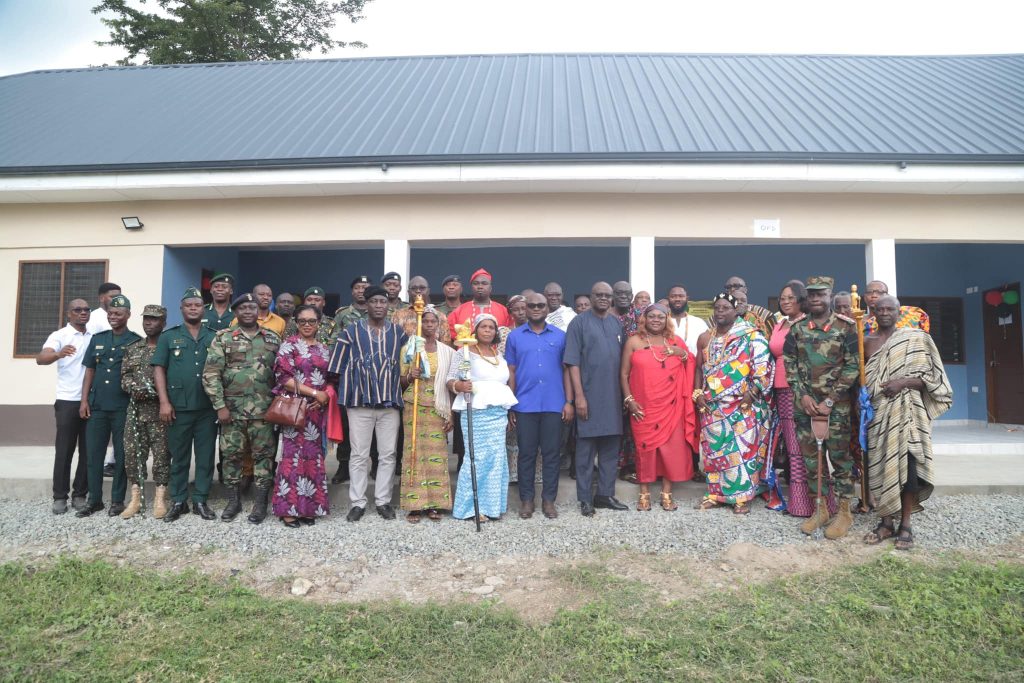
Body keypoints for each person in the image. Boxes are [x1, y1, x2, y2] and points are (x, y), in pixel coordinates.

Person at [862, 296, 952, 550]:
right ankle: (885, 522)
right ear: (873, 313)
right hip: (879, 417)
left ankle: (906, 524)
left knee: (909, 473)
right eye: (879, 309)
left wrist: (903, 383)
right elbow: (864, 380)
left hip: (908, 414)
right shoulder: (866, 343)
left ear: (899, 312)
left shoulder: (916, 339)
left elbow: (933, 379)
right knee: (880, 468)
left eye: (889, 309)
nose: (884, 313)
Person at [782, 276, 860, 539]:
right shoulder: (797, 328)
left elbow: (852, 367)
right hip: (805, 405)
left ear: (830, 297)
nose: (816, 299)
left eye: (821, 294)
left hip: (835, 407)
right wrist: (802, 395)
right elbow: (789, 363)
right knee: (812, 460)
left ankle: (845, 512)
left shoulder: (845, 327)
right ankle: (821, 509)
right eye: (812, 295)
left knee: (840, 459)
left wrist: (831, 400)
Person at [328, 286, 408, 522]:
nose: (380, 306)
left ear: (388, 305)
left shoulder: (399, 333)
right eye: (375, 301)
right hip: (359, 403)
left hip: (389, 402)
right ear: (367, 304)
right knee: (359, 454)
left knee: (388, 454)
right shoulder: (350, 331)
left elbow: (408, 363)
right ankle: (358, 502)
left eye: (383, 301)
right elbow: (336, 367)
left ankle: (383, 501)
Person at [203, 294, 281, 524]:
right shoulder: (223, 338)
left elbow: (282, 373)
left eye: (252, 307)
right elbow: (211, 374)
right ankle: (233, 501)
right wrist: (219, 406)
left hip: (264, 412)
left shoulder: (272, 338)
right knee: (231, 457)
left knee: (264, 457)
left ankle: (260, 503)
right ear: (235, 312)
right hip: (232, 411)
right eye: (243, 308)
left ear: (259, 311)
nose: (248, 311)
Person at [694, 293, 774, 514]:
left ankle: (741, 497)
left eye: (725, 307)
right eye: (717, 307)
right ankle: (716, 494)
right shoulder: (704, 337)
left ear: (735, 310)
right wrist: (698, 392)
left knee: (742, 451)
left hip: (742, 404)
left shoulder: (751, 335)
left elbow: (763, 367)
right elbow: (698, 368)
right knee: (715, 451)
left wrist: (753, 393)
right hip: (711, 405)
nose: (720, 311)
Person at [621, 303, 697, 511]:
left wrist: (681, 352)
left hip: (671, 406)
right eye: (651, 316)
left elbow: (690, 361)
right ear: (644, 319)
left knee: (670, 449)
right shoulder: (634, 341)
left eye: (660, 317)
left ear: (666, 320)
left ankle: (666, 493)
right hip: (643, 406)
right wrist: (629, 400)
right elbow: (624, 374)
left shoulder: (674, 341)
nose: (656, 320)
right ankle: (644, 493)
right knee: (644, 449)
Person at [152, 288, 219, 523]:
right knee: (179, 457)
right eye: (189, 305)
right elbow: (159, 368)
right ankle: (179, 500)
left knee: (205, 456)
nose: (193, 308)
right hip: (177, 408)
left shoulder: (214, 336)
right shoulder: (168, 337)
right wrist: (163, 402)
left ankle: (200, 499)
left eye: (197, 305)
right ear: (181, 309)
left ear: (204, 309)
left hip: (207, 407)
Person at [506, 293, 573, 519]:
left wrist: (569, 401)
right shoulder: (515, 337)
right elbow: (511, 372)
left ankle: (548, 500)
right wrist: (511, 404)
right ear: (525, 309)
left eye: (540, 305)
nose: (536, 308)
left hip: (554, 404)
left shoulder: (560, 336)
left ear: (547, 309)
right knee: (526, 454)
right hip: (525, 404)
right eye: (531, 305)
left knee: (551, 454)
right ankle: (526, 501)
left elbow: (566, 370)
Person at [564, 282, 628, 516]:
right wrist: (578, 397)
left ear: (612, 299)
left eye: (607, 295)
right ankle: (585, 499)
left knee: (611, 449)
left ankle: (604, 495)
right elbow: (572, 362)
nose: (603, 298)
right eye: (598, 295)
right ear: (590, 297)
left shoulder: (616, 323)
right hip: (588, 397)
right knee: (585, 452)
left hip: (612, 398)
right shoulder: (578, 323)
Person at [447, 314, 518, 522]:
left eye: (491, 327)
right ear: (475, 330)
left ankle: (491, 507)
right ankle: (469, 508)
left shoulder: (499, 354)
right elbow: (450, 379)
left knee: (496, 460)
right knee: (477, 458)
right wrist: (458, 386)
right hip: (476, 412)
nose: (488, 330)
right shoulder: (465, 353)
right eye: (483, 327)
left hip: (498, 414)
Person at [76, 295, 142, 517]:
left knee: (122, 456)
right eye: (111, 314)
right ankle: (94, 500)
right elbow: (90, 371)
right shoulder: (98, 338)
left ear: (128, 315)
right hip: (98, 406)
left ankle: (116, 500)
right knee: (94, 454)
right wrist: (84, 400)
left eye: (118, 314)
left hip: (123, 406)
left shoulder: (135, 341)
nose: (113, 317)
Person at [768, 280, 827, 517]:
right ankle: (799, 503)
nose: (785, 302)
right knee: (791, 449)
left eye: (790, 298)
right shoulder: (780, 324)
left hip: (801, 391)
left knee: (804, 448)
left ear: (801, 300)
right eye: (782, 298)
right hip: (780, 389)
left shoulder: (808, 324)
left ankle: (816, 504)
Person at [272, 304, 333, 527]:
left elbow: (329, 379)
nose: (307, 325)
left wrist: (324, 395)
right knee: (292, 459)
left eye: (312, 321)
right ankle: (289, 509)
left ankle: (309, 508)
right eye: (302, 321)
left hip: (317, 412)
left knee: (313, 458)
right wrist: (315, 393)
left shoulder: (324, 349)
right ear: (296, 324)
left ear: (319, 323)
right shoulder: (289, 346)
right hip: (295, 410)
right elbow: (284, 378)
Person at [397, 306, 456, 522]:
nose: (429, 325)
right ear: (418, 324)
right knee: (414, 454)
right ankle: (415, 505)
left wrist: (451, 415)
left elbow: (450, 386)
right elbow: (401, 381)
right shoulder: (409, 349)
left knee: (437, 457)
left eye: (433, 322)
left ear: (438, 326)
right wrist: (410, 376)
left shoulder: (447, 352)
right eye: (426, 321)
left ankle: (435, 504)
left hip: (437, 408)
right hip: (414, 406)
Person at [37, 298, 92, 514]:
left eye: (86, 310)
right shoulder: (60, 335)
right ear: (68, 314)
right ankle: (60, 496)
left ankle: (80, 494)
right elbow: (41, 358)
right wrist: (58, 354)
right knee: (64, 451)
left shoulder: (93, 335)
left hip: (90, 401)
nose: (83, 313)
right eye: (77, 310)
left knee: (88, 451)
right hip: (67, 401)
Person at [119, 305, 170, 519]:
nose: (149, 323)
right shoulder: (133, 348)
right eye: (146, 319)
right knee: (132, 455)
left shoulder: (167, 347)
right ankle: (136, 499)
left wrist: (156, 393)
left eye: (155, 319)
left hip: (160, 412)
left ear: (163, 323)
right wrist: (133, 388)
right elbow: (124, 377)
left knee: (161, 456)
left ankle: (160, 498)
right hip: (136, 411)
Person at [330, 275, 372, 485]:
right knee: (347, 424)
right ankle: (343, 465)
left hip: (374, 378)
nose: (361, 290)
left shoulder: (381, 312)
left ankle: (373, 464)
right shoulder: (343, 315)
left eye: (365, 287)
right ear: (352, 291)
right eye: (358, 287)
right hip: (350, 377)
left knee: (375, 420)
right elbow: (334, 342)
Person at [446, 268, 512, 339]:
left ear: (491, 288)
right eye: (476, 283)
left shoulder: (503, 311)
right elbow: (448, 337)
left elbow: (509, 335)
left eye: (484, 283)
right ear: (472, 288)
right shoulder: (459, 311)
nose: (480, 287)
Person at [394, 276, 451, 344]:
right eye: (414, 288)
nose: (418, 291)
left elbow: (445, 345)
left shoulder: (440, 316)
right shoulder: (398, 315)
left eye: (422, 288)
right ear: (408, 292)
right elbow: (394, 342)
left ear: (428, 291)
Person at [863, 280, 930, 334]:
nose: (874, 295)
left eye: (879, 292)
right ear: (864, 297)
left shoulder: (906, 314)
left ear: (887, 295)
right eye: (869, 292)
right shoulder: (859, 321)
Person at [666, 285, 709, 356]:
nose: (677, 299)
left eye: (681, 296)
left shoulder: (699, 322)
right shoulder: (661, 322)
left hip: (694, 364)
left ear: (687, 299)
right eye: (673, 296)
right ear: (668, 299)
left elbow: (707, 347)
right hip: (669, 365)